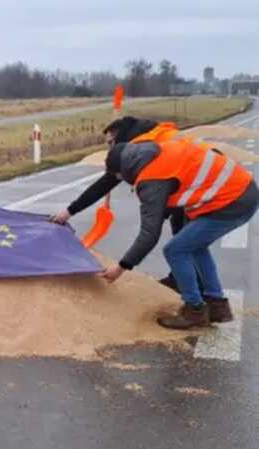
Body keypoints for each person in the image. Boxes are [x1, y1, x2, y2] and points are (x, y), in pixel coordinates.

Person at [98, 131, 258, 329]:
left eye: (118, 176)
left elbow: (149, 234)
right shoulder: (157, 151)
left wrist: (121, 267)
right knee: (195, 246)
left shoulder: (151, 178)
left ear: (123, 169)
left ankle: (195, 310)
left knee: (175, 249)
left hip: (231, 200)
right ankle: (217, 304)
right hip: (240, 192)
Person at [50, 116, 193, 290]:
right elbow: (110, 180)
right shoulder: (146, 139)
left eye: (111, 143)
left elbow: (107, 182)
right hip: (186, 183)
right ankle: (185, 281)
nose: (110, 148)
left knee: (183, 240)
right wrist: (70, 210)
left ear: (120, 135)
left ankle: (193, 291)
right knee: (183, 236)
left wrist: (69, 211)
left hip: (196, 186)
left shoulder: (140, 146)